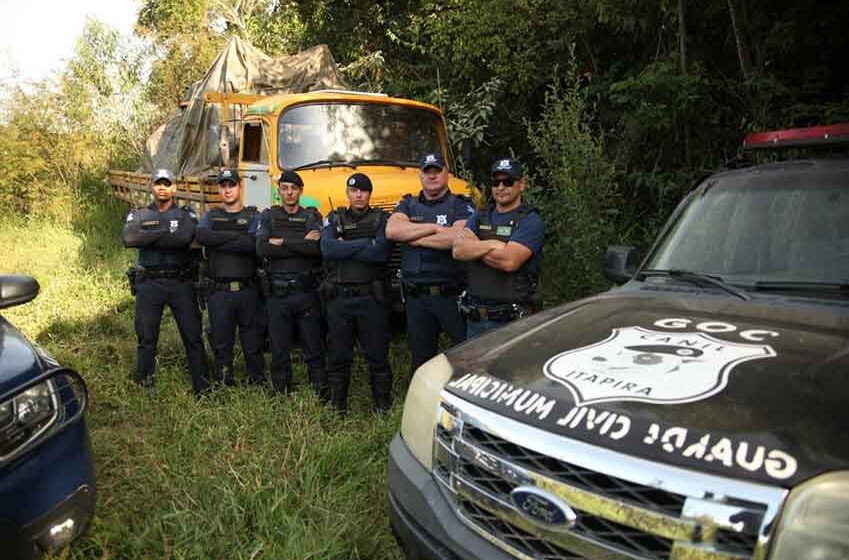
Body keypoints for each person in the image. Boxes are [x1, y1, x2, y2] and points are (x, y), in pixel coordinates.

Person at [122, 168, 210, 394]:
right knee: (147, 338)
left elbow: (184, 237)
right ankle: (144, 385)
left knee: (193, 337)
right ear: (151, 186)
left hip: (181, 284)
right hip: (149, 284)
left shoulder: (186, 215)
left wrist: (150, 236)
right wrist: (167, 233)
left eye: (166, 183)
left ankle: (203, 387)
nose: (162, 187)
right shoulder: (139, 214)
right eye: (158, 183)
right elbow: (130, 238)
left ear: (174, 187)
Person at [386, 152, 474, 373]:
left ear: (447, 174)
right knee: (421, 361)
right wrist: (434, 229)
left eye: (437, 171)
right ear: (420, 176)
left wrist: (415, 238)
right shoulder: (408, 203)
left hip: (452, 297)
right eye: (428, 171)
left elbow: (458, 238)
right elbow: (393, 230)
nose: (432, 176)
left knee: (466, 357)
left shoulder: (460, 204)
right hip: (417, 299)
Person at [320, 172, 392, 414]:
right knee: (339, 355)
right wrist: (364, 244)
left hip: (371, 298)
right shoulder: (334, 217)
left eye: (363, 190)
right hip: (340, 298)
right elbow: (328, 249)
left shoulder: (381, 218)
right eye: (354, 190)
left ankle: (382, 406)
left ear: (370, 194)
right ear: (348, 193)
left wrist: (345, 245)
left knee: (377, 354)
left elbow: (381, 253)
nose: (358, 194)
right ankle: (338, 407)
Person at [453, 158, 544, 338]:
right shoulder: (479, 216)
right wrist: (492, 244)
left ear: (521, 185)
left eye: (508, 182)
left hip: (512, 322)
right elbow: (458, 250)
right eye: (496, 182)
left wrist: (475, 246)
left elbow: (509, 261)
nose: (501, 187)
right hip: (475, 320)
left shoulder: (530, 221)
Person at [255, 170, 326, 397]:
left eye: (293, 188)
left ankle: (320, 393)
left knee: (314, 347)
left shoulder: (311, 216)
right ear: (279, 191)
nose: (289, 192)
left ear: (300, 191)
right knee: (279, 349)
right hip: (278, 294)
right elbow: (262, 248)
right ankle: (281, 393)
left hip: (306, 293)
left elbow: (316, 249)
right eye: (284, 188)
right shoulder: (268, 216)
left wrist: (282, 242)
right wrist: (299, 243)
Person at [195, 169, 265, 386]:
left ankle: (257, 381)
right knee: (221, 342)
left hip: (248, 290)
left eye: (231, 185)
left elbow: (254, 243)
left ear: (240, 187)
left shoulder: (254, 216)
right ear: (219, 189)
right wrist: (237, 237)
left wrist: (219, 240)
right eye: (223, 186)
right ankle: (225, 381)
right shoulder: (210, 216)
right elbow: (202, 235)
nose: (227, 190)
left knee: (252, 343)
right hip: (219, 292)